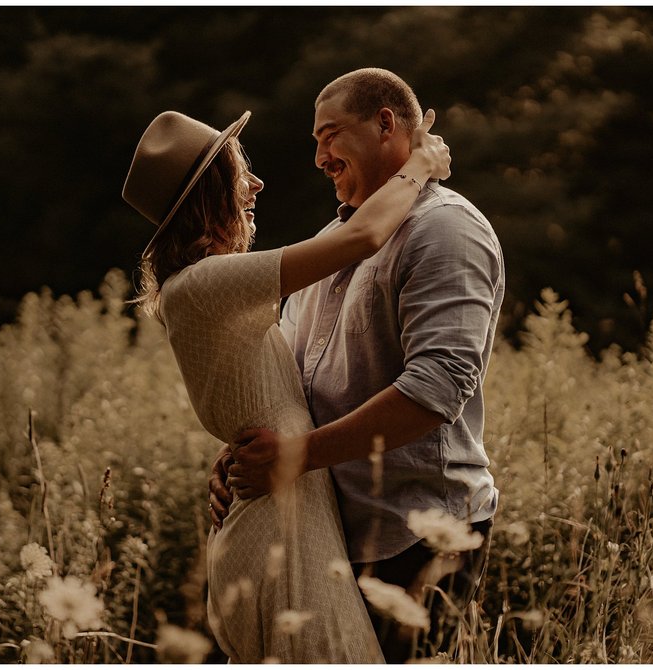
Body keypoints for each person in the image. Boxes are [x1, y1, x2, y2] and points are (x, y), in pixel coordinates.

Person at [122, 106, 450, 662]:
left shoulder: (209, 286)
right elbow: (365, 235)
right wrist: (420, 165)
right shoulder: (204, 284)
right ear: (209, 196)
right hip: (277, 524)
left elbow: (261, 394)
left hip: (281, 509)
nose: (257, 183)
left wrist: (238, 446)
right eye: (238, 172)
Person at [209, 68, 506, 662]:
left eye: (330, 135)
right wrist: (238, 456)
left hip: (420, 534)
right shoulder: (336, 240)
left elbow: (436, 388)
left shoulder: (445, 230)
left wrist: (295, 458)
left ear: (387, 124)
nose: (319, 157)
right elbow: (291, 384)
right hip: (332, 531)